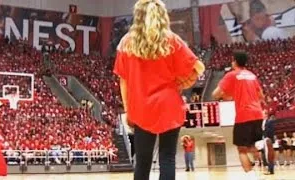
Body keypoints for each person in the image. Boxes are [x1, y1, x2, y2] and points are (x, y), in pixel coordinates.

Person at [113, 0, 205, 179]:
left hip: (142, 107)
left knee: (143, 161)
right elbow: (199, 68)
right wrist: (182, 83)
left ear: (138, 16)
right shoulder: (171, 39)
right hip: (169, 105)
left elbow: (123, 82)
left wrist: (128, 111)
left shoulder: (126, 43)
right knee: (167, 158)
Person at [212, 50, 267, 179]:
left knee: (242, 149)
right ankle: (262, 166)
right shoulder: (252, 75)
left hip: (244, 115)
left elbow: (215, 94)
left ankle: (249, 173)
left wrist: (226, 96)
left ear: (235, 62)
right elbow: (261, 96)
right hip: (258, 114)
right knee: (253, 145)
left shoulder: (231, 75)